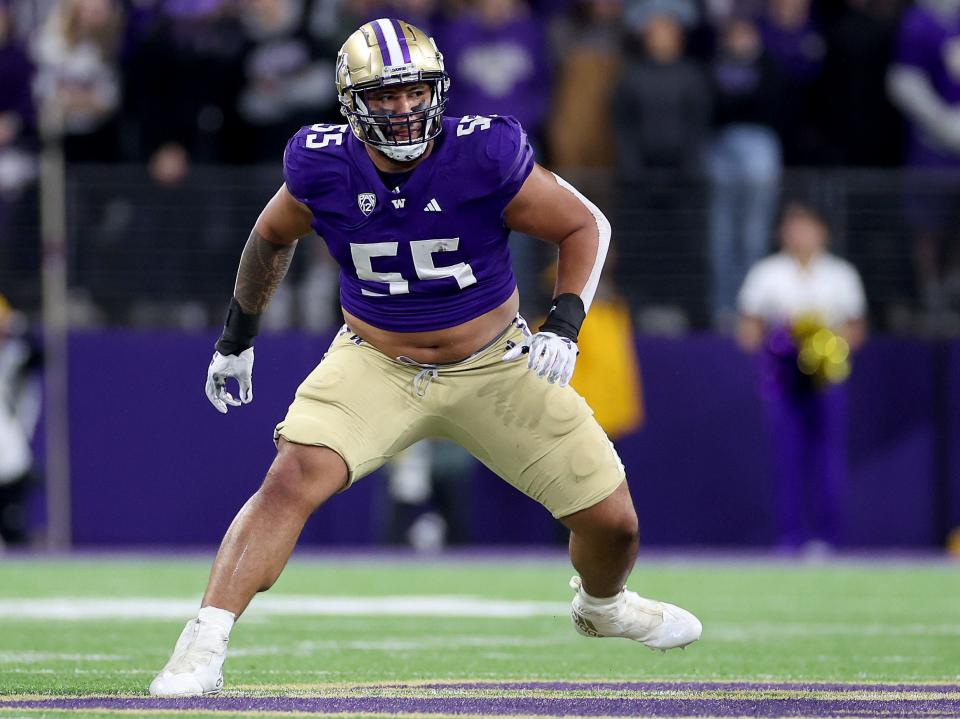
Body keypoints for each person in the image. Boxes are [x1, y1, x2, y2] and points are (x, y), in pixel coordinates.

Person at [148, 17, 702, 697]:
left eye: (413, 91)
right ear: (352, 103)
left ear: (437, 89)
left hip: (496, 362)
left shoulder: (484, 152)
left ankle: (603, 605)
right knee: (291, 477)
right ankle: (203, 639)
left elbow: (583, 223)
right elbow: (270, 237)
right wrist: (237, 337)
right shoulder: (320, 163)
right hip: (376, 359)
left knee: (614, 522)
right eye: (384, 95)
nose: (404, 107)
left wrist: (562, 323)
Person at [736, 202, 867, 551]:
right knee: (786, 458)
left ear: (822, 231)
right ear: (782, 233)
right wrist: (779, 347)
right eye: (793, 227)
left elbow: (856, 329)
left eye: (807, 226)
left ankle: (827, 538)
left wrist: (826, 351)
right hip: (783, 379)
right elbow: (748, 328)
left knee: (828, 458)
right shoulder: (767, 273)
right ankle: (789, 538)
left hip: (826, 381)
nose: (801, 235)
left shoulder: (841, 275)